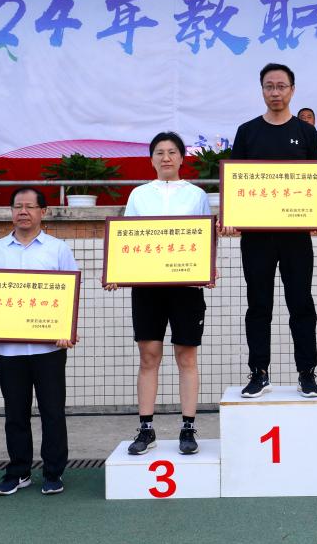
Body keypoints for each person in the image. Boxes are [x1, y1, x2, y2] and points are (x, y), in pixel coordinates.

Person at [0, 187, 78, 496]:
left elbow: (71, 294)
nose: (23, 212)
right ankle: (18, 472)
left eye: (29, 206)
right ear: (11, 211)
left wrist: (67, 329)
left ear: (43, 212)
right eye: (17, 207)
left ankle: (53, 472)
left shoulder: (58, 249)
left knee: (52, 412)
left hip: (49, 347)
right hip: (9, 349)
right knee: (15, 413)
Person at [105, 132, 212, 456]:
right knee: (149, 355)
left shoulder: (196, 194)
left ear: (182, 158)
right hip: (147, 288)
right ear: (151, 159)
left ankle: (188, 427)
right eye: (160, 152)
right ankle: (146, 428)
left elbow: (205, 237)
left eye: (172, 152)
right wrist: (117, 272)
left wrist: (208, 270)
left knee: (186, 356)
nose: (166, 158)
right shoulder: (139, 194)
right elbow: (127, 239)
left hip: (186, 288)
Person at [227, 62, 317, 398]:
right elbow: (236, 183)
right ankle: (259, 372)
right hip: (256, 237)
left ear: (292, 90)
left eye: (281, 86)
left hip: (296, 236)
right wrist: (231, 215)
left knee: (301, 303)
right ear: (262, 90)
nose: (275, 92)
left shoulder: (306, 133)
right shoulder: (247, 132)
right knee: (258, 305)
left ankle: (307, 372)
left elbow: (316, 182)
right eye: (269, 86)